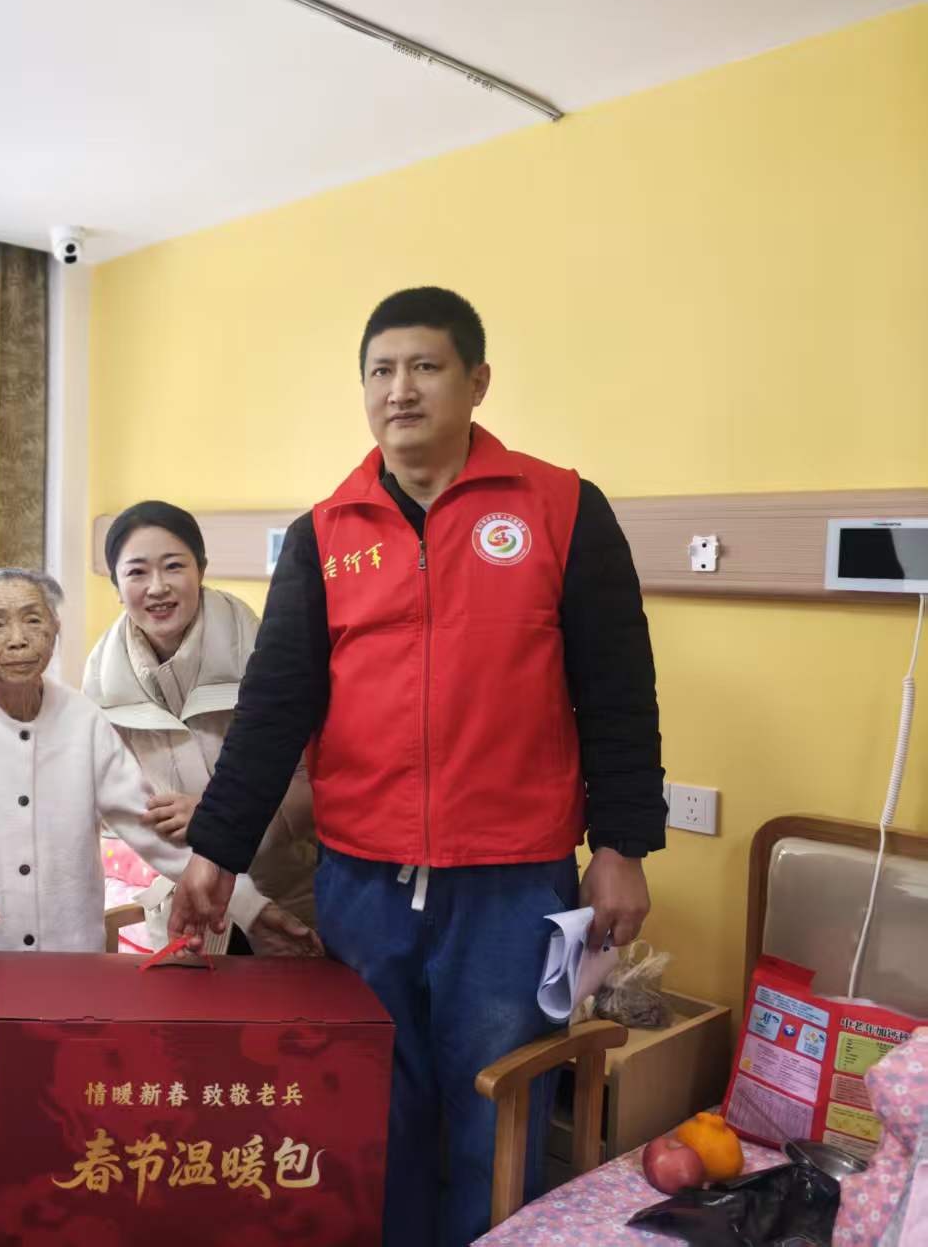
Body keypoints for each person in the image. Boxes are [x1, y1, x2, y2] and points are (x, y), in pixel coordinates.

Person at [169, 287, 667, 1246]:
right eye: (380, 370)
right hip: (362, 882)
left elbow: (617, 691)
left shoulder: (561, 506)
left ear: (477, 382)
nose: (399, 389)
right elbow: (274, 709)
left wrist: (623, 845)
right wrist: (215, 851)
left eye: (425, 367)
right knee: (370, 1109)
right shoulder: (324, 533)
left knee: (497, 1112)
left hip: (512, 881)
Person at [0, 567, 322, 1240]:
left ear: (57, 630)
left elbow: (149, 825)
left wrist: (251, 907)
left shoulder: (80, 716)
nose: (18, 638)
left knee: (64, 1138)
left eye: (33, 619)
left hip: (67, 981)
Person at [84, 501, 319, 947]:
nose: (157, 587)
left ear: (201, 570)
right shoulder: (101, 683)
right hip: (189, 903)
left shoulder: (269, 656)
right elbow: (124, 807)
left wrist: (217, 818)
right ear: (116, 584)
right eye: (136, 572)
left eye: (174, 566)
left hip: (290, 894)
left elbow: (320, 785)